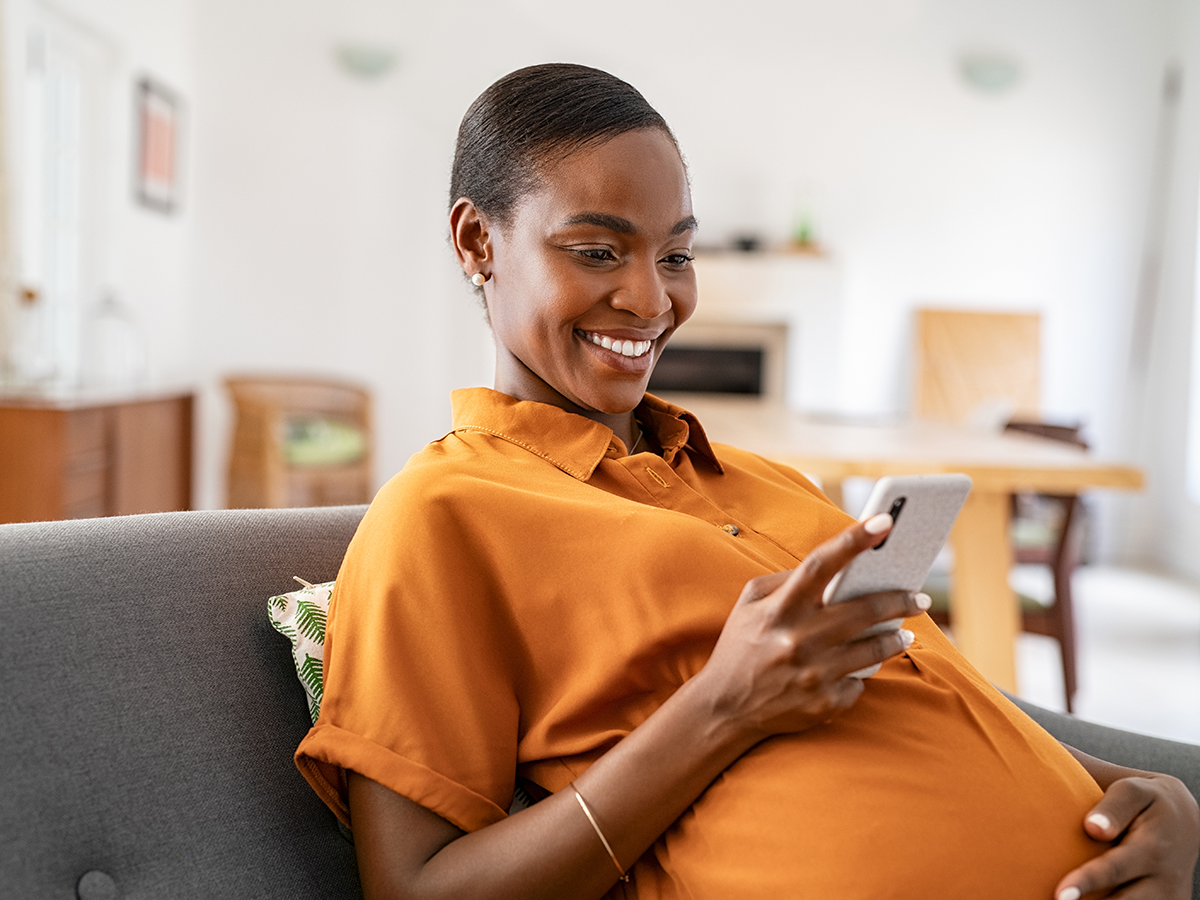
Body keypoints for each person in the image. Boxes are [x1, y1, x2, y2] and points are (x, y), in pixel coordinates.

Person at [295, 64, 1199, 900]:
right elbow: (417, 888)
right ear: (476, 240)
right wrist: (720, 709)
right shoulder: (442, 514)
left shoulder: (773, 483)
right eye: (599, 252)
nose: (654, 302)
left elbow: (933, 698)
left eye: (677, 255)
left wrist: (1139, 791)